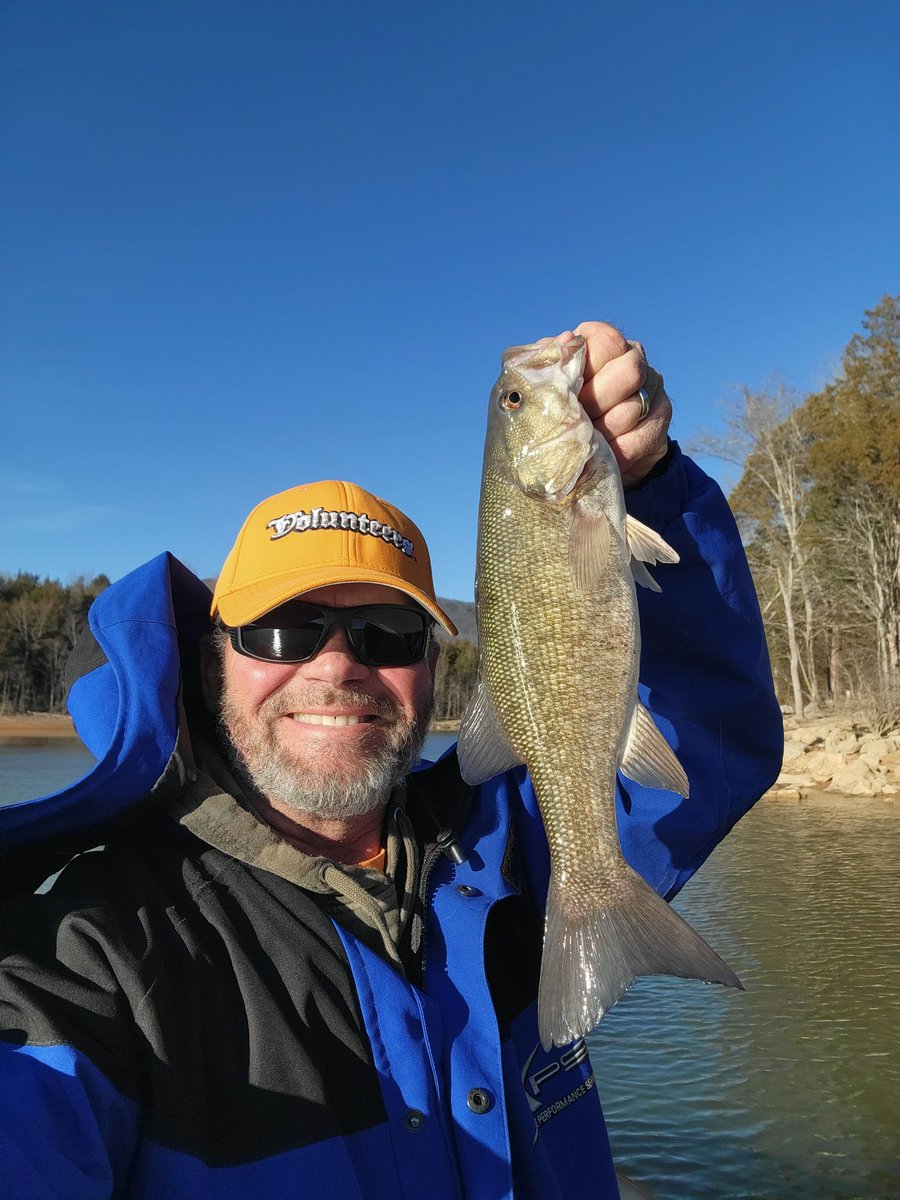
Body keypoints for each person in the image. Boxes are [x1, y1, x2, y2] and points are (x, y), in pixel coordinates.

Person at [0, 322, 783, 1199]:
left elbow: (707, 732)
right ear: (213, 658)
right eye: (282, 631)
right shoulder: (99, 947)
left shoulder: (510, 853)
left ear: (434, 670)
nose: (336, 667)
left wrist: (657, 487)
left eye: (388, 632)